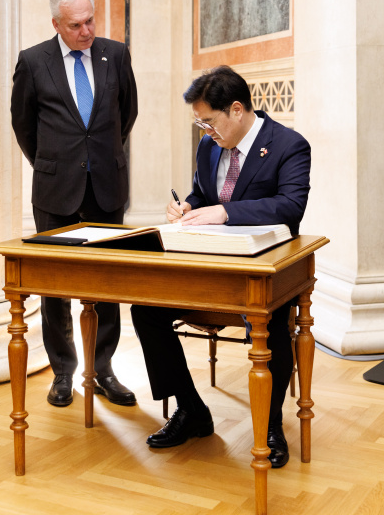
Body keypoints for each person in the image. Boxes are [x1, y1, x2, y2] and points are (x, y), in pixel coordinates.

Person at [131, 66, 311, 467]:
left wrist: (224, 213)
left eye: (208, 121)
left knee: (272, 324)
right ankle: (191, 409)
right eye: (199, 122)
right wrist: (190, 206)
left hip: (259, 272)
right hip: (204, 267)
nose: (204, 131)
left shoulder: (288, 145)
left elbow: (290, 206)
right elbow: (202, 191)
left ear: (236, 109)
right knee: (145, 310)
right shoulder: (210, 146)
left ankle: (270, 425)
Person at [11, 0, 138, 408]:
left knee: (107, 281)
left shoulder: (115, 55)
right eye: (76, 25)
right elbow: (23, 126)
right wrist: (54, 163)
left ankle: (102, 369)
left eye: (90, 21)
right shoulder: (33, 62)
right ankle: (63, 372)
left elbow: (127, 113)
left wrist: (98, 157)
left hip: (106, 186)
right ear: (56, 25)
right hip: (55, 190)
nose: (86, 31)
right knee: (55, 288)